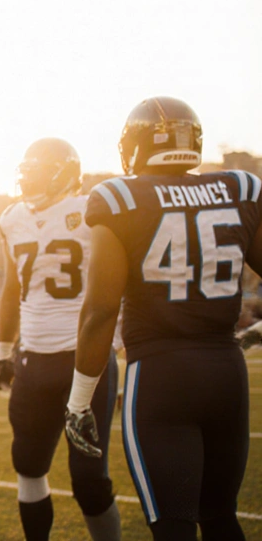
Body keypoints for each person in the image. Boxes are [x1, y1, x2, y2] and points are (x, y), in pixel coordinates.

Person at [65, 98, 260, 541]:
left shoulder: (120, 198)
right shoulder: (241, 188)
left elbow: (99, 312)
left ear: (134, 146)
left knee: (173, 526)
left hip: (161, 376)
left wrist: (79, 401)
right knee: (221, 519)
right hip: (227, 373)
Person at [0, 138, 121, 541]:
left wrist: (126, 344)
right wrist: (2, 349)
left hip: (85, 359)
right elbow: (11, 287)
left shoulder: (94, 209)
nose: (30, 181)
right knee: (28, 466)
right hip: (33, 359)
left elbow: (121, 281)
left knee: (88, 481)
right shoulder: (11, 218)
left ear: (65, 174)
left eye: (39, 172)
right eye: (27, 172)